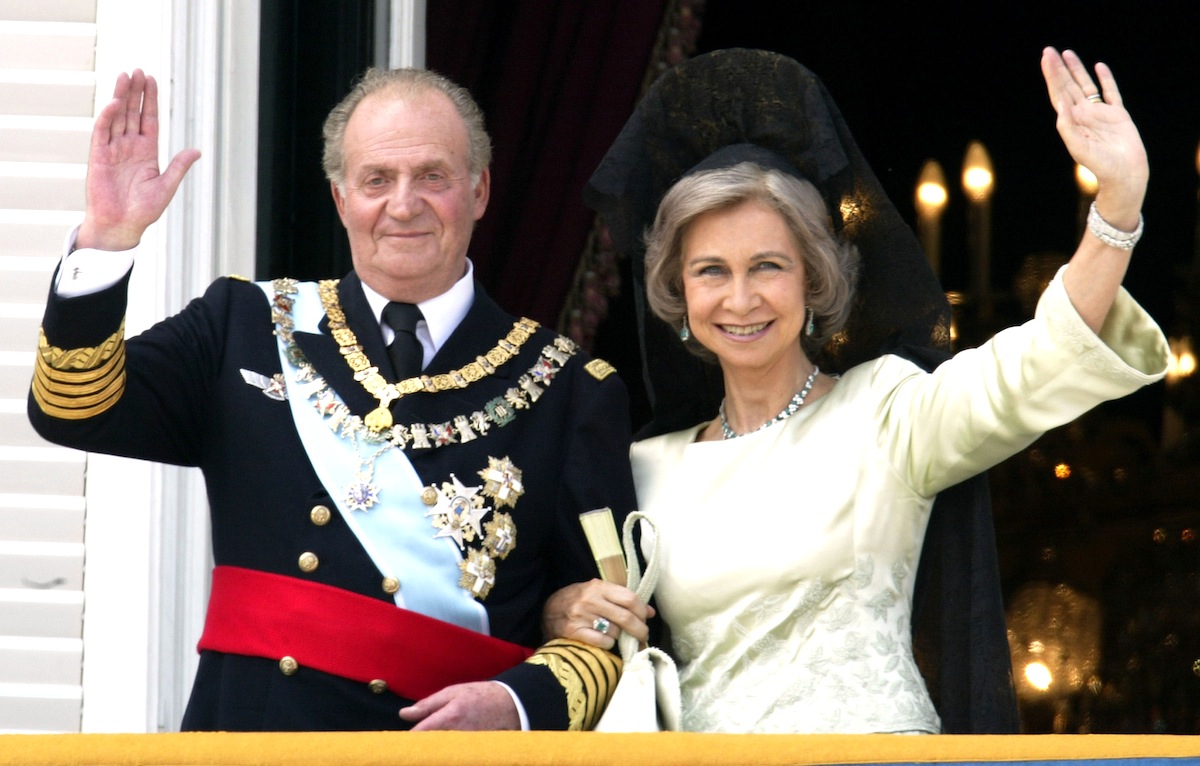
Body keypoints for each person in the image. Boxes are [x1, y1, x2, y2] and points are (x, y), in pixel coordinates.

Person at [544, 47, 1169, 733]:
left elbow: (1035, 364)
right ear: (678, 293)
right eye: (711, 271)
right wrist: (562, 612)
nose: (741, 298)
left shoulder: (886, 413)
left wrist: (1118, 205)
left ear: (814, 280)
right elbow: (579, 615)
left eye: (769, 266)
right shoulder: (643, 469)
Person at [27, 66, 644, 732]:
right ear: (340, 197)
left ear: (480, 190)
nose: (403, 205)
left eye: (432, 177)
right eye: (377, 180)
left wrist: (519, 705)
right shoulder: (245, 326)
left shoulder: (569, 390)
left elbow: (608, 622)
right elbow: (72, 406)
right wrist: (107, 240)